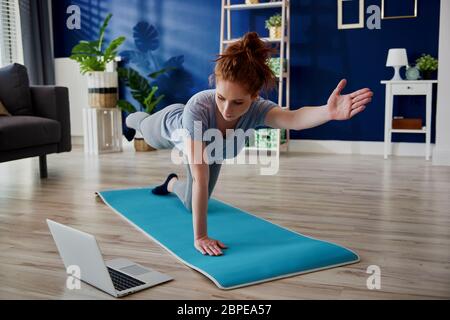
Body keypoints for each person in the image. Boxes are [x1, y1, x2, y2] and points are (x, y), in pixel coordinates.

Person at [126, 31, 373, 257]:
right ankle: (129, 121)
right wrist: (200, 236)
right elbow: (200, 178)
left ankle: (171, 184)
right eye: (221, 98)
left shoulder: (258, 110)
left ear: (254, 97)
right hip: (173, 126)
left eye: (238, 102)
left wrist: (327, 112)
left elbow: (294, 118)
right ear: (214, 85)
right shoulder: (199, 108)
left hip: (211, 152)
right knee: (145, 131)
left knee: (193, 205)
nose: (227, 109)